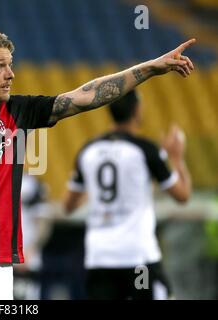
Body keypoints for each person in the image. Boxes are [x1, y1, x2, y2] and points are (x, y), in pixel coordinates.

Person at [0, 28, 196, 300]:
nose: (10, 74)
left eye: (10, 65)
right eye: (0, 66)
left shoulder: (20, 111)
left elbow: (88, 95)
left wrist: (151, 68)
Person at [64, 90, 192, 299]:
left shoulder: (88, 150)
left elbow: (68, 206)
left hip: (99, 259)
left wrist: (93, 190)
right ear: (137, 110)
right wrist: (177, 158)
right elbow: (182, 196)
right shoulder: (146, 150)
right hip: (137, 258)